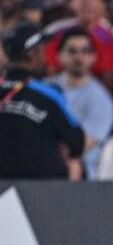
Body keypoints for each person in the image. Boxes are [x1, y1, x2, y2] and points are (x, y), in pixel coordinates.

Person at [0, 22, 86, 179]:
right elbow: (77, 143)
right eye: (42, 50)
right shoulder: (49, 93)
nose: (45, 56)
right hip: (42, 186)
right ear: (33, 54)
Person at [47, 28, 113, 180]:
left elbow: (80, 147)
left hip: (81, 172)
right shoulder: (47, 88)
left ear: (94, 57)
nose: (79, 57)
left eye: (85, 51)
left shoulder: (102, 100)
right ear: (59, 56)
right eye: (72, 51)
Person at [44, 0, 113, 95]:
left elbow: (108, 85)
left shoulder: (109, 40)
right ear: (70, 2)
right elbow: (50, 74)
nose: (87, 2)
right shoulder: (56, 33)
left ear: (104, 4)